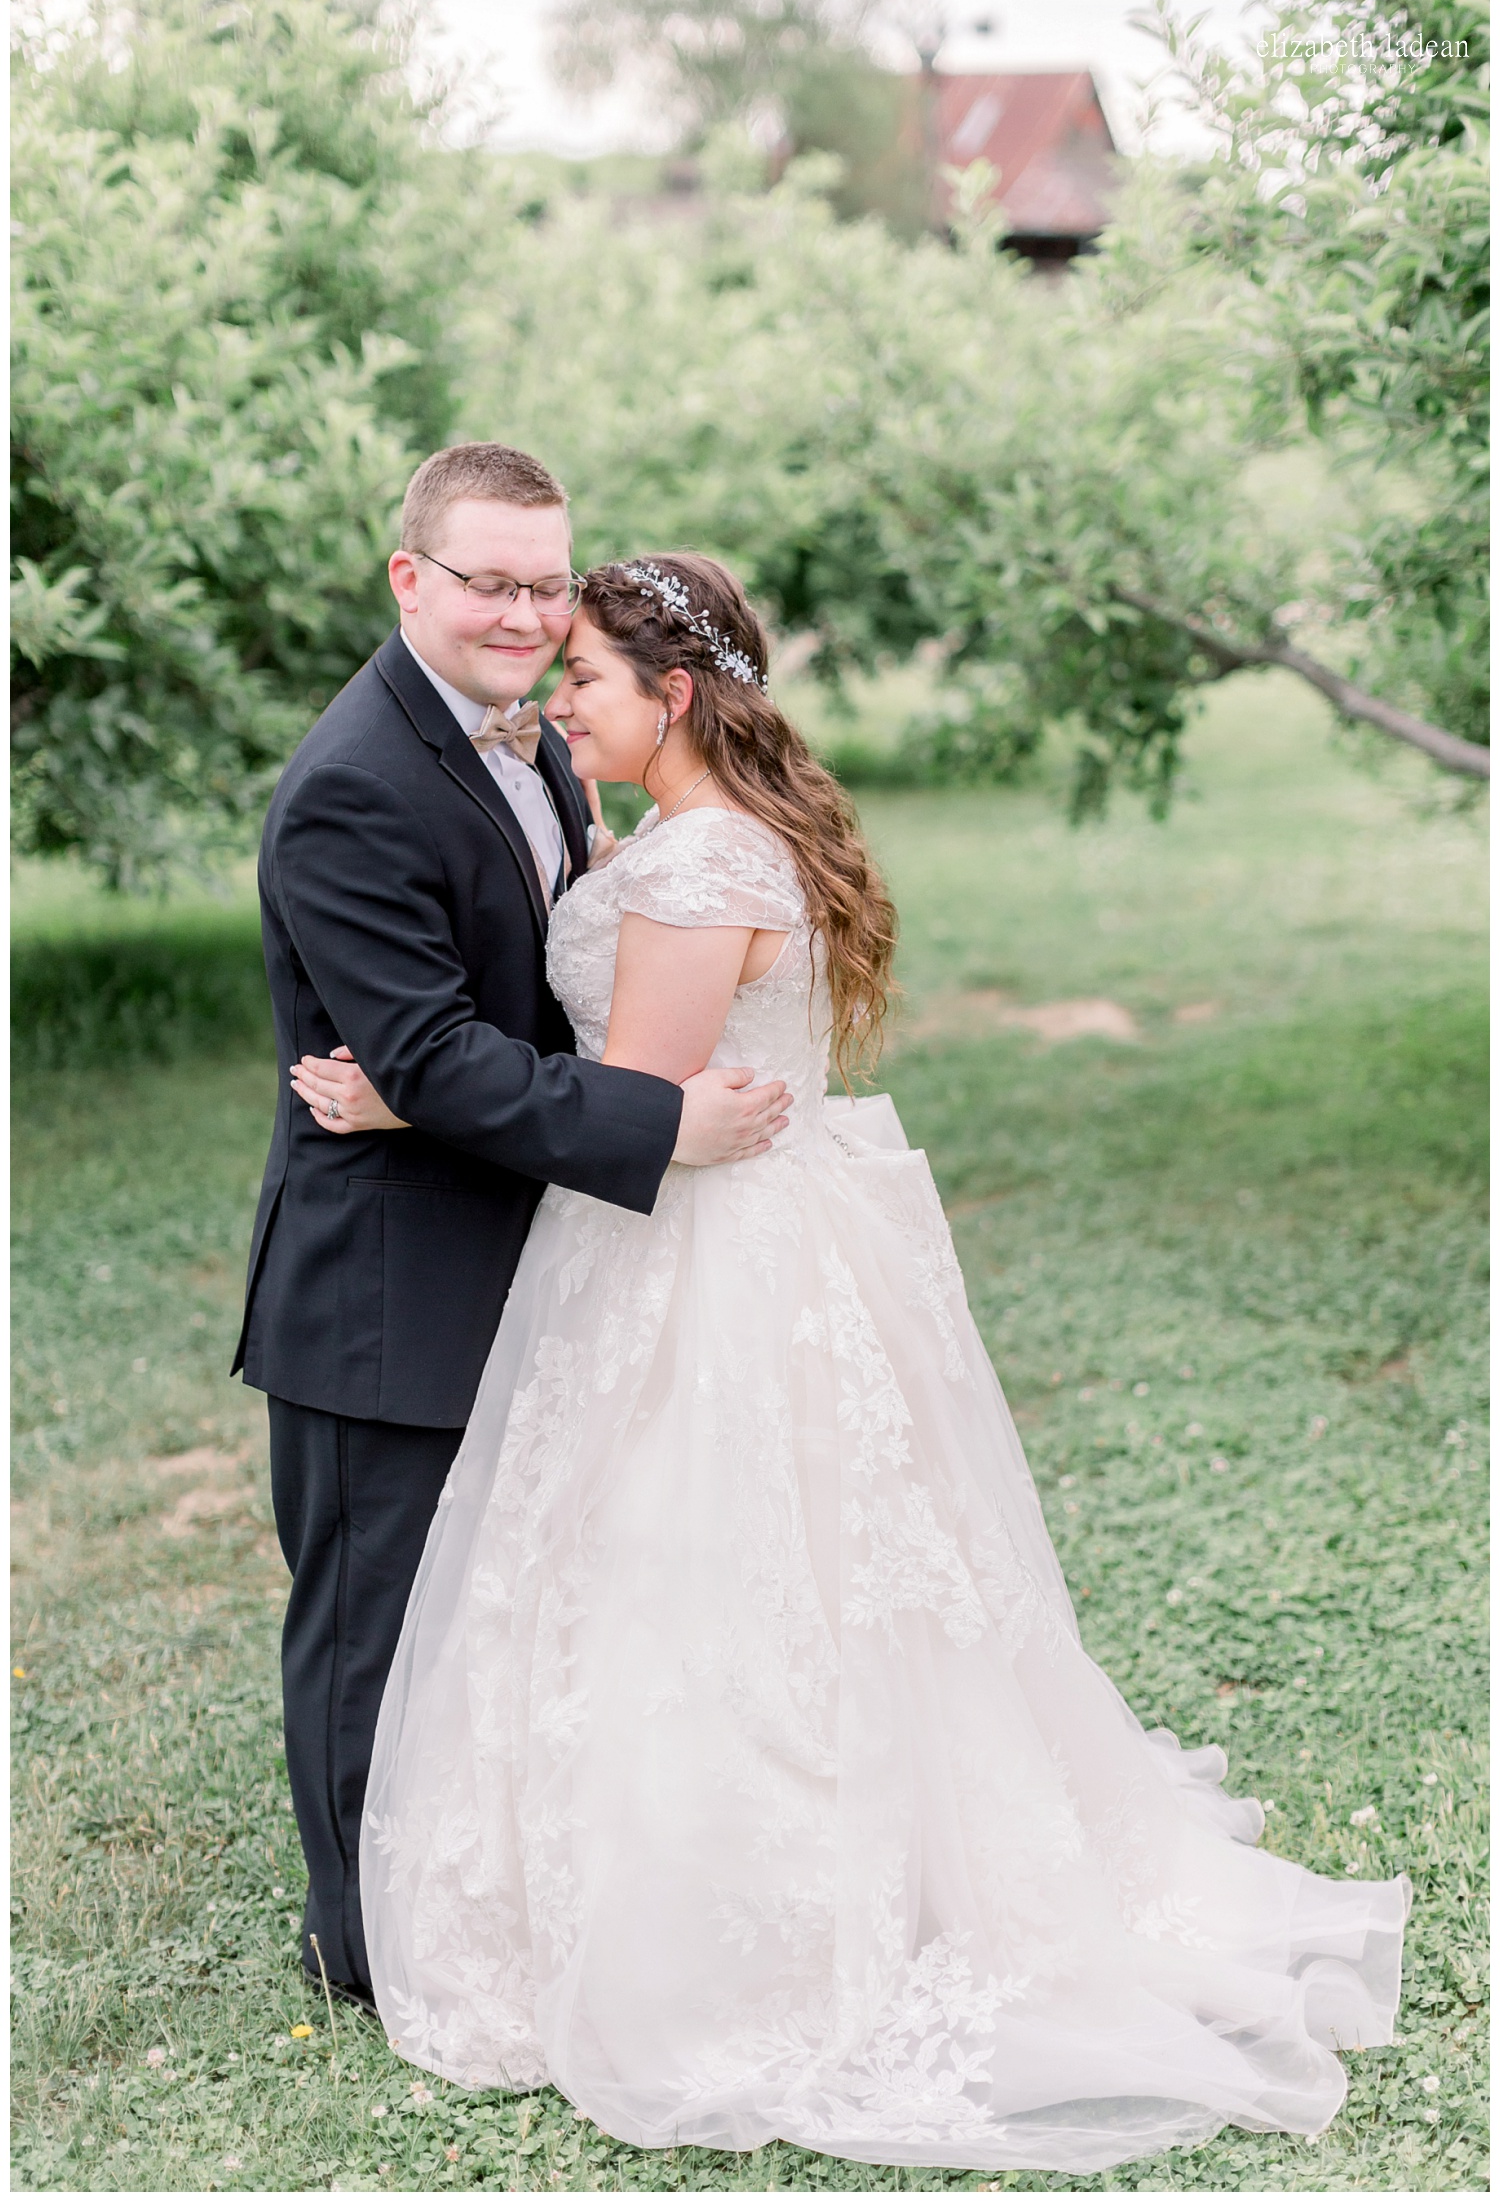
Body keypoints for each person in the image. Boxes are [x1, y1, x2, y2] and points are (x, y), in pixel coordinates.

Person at [302, 554, 1409, 2176]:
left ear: (672, 696)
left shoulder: (704, 865)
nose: (560, 705)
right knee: (713, 1580)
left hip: (699, 1256)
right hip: (707, 1234)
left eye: (591, 682)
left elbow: (646, 1105)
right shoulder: (689, 836)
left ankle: (743, 1917)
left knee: (710, 1582)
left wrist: (402, 1096)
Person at [233, 451, 791, 2014]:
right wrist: (662, 1121)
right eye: (490, 580)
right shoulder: (353, 781)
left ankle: (485, 1889)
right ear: (411, 578)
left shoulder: (540, 747)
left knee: (493, 1604)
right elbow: (426, 1053)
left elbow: (527, 998)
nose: (526, 612)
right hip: (388, 1283)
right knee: (375, 1621)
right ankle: (361, 1948)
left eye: (547, 584)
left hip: (525, 1244)